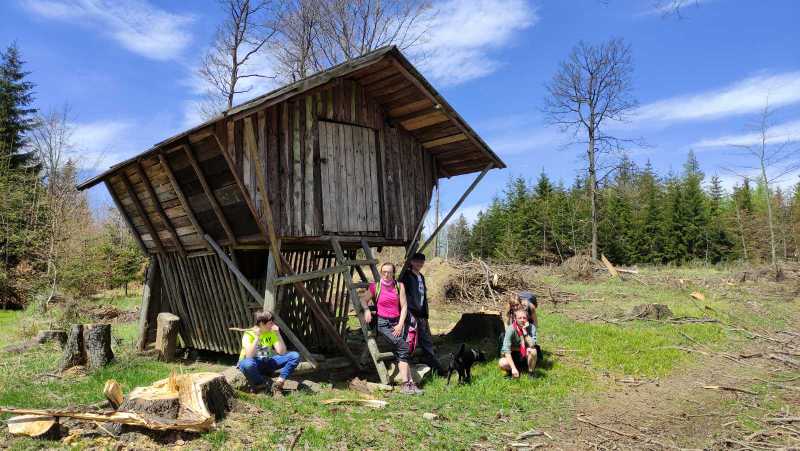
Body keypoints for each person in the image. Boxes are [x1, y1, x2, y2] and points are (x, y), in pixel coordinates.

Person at [362, 262, 421, 395]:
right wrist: (366, 310)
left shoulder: (399, 286)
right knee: (403, 347)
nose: (386, 274)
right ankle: (406, 384)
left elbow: (404, 306)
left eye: (389, 272)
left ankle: (409, 384)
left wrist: (400, 324)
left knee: (403, 351)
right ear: (381, 272)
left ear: (393, 273)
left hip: (397, 322)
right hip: (383, 323)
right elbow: (363, 300)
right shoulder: (375, 286)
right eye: (384, 272)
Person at [399, 252, 446, 376]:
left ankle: (437, 369)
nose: (419, 264)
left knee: (426, 341)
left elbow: (423, 296)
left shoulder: (421, 276)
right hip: (410, 313)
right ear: (411, 262)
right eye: (417, 261)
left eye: (421, 261)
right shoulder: (406, 276)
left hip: (421, 314)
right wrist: (409, 312)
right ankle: (406, 370)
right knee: (409, 341)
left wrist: (424, 313)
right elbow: (403, 296)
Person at [237, 310, 300, 397]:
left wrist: (277, 334)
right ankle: (261, 386)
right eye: (270, 323)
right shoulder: (248, 334)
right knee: (248, 364)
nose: (273, 325)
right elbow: (249, 356)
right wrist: (257, 337)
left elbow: (281, 352)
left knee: (294, 356)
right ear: (262, 323)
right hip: (251, 363)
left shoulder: (271, 333)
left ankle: (279, 383)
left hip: (266, 361)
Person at [499, 309, 539, 378]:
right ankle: (512, 370)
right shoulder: (511, 329)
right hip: (514, 355)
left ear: (527, 319)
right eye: (519, 318)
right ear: (515, 319)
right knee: (502, 362)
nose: (522, 320)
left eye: (524, 318)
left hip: (526, 355)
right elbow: (506, 350)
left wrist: (525, 332)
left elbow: (532, 345)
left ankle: (531, 372)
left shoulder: (531, 327)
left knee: (533, 351)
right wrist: (513, 368)